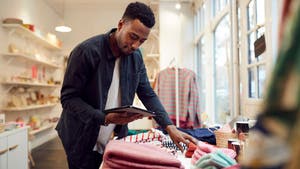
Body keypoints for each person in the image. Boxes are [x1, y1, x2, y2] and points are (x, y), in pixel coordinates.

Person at [55, 1, 198, 169]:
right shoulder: (86, 52)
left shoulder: (136, 58)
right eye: (133, 37)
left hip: (113, 137)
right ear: (121, 24)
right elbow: (68, 99)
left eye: (142, 41)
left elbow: (147, 94)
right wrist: (105, 118)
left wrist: (169, 126)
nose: (136, 45)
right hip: (80, 136)